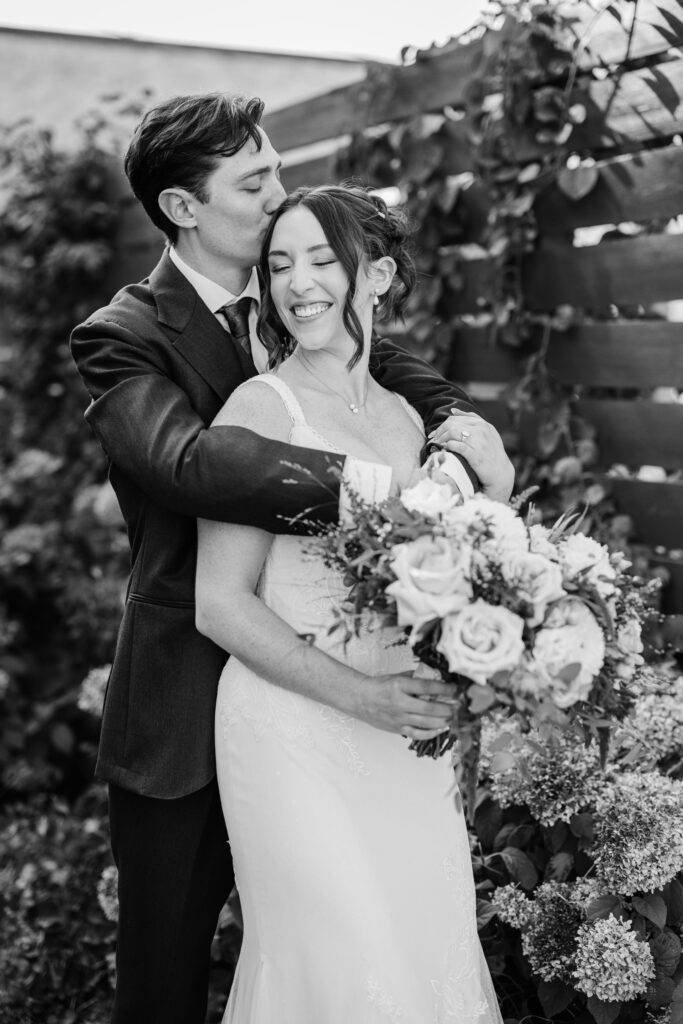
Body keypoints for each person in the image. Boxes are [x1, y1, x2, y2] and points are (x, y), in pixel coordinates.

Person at [70, 92, 513, 1024]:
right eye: (255, 179)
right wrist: (387, 493)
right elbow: (189, 464)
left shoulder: (304, 303)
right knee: (164, 980)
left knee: (351, 956)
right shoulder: (123, 335)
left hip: (353, 706)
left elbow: (413, 395)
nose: (279, 194)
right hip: (192, 701)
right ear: (185, 207)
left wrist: (468, 433)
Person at [195, 183, 505, 1023]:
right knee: (340, 962)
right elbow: (219, 604)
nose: (298, 282)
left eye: (323, 259)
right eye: (280, 262)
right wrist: (358, 695)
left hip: (406, 738)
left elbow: (457, 577)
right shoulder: (261, 409)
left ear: (379, 275)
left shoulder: (413, 420)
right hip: (292, 729)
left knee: (419, 958)